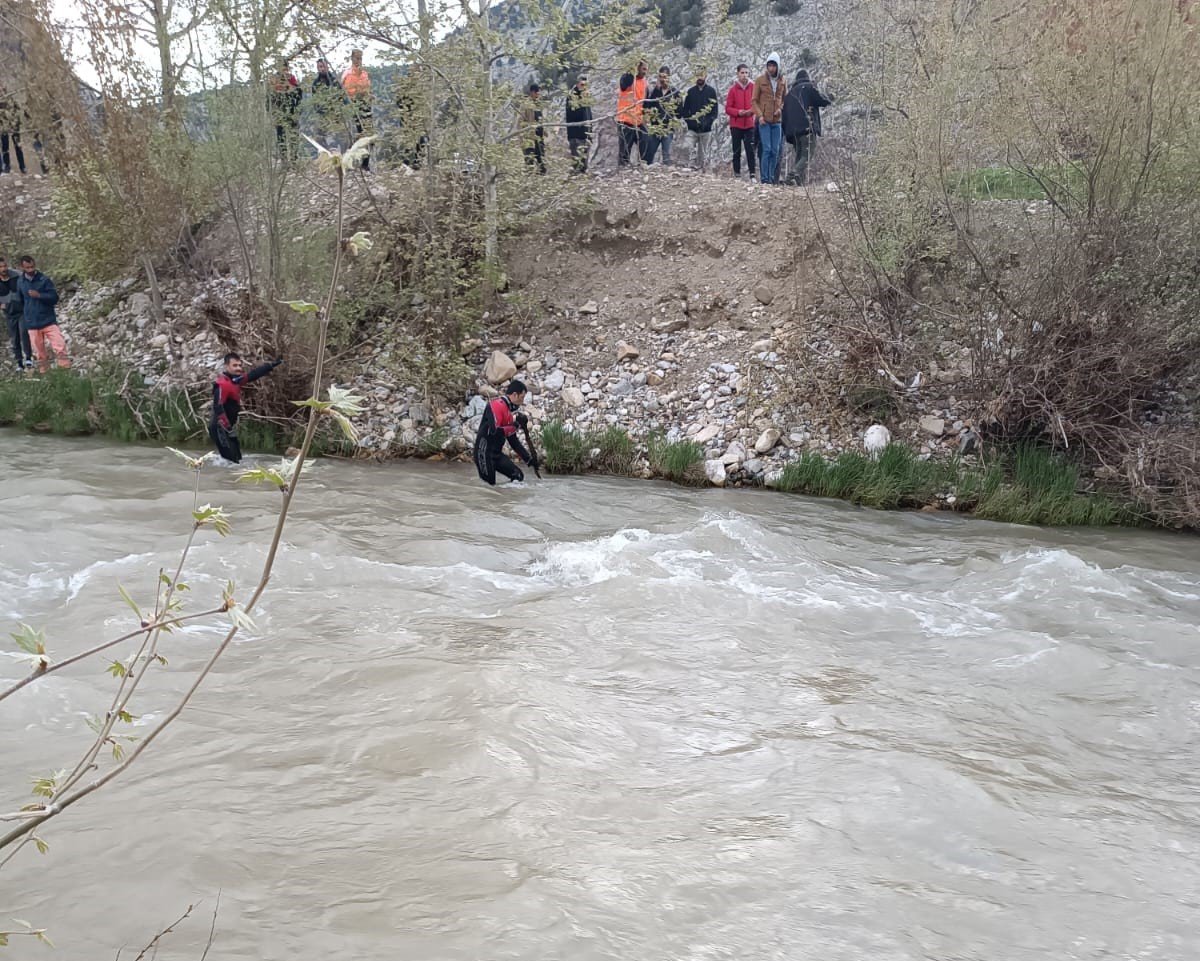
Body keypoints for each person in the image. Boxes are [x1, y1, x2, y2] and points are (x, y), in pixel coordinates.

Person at [209, 352, 283, 463]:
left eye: (239, 365)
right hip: (220, 428)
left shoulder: (235, 380)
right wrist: (228, 428)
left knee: (237, 460)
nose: (238, 368)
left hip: (228, 429)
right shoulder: (222, 384)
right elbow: (218, 407)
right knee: (231, 462)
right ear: (226, 366)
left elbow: (253, 375)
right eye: (235, 365)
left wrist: (271, 365)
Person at [473, 380, 538, 485]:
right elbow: (495, 431)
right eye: (522, 398)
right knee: (490, 487)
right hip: (483, 453)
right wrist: (515, 425)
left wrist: (529, 460)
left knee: (518, 476)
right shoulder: (496, 405)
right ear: (514, 395)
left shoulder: (508, 414)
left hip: (496, 455)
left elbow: (513, 442)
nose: (522, 402)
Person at [16, 256, 68, 372]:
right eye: (27, 268)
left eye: (32, 267)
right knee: (39, 354)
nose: (30, 270)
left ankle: (65, 372)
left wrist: (39, 295)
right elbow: (20, 301)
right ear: (22, 267)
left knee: (60, 346)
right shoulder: (20, 282)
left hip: (48, 320)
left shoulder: (44, 279)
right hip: (32, 323)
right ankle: (45, 376)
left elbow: (54, 298)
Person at [785, 68, 831, 186]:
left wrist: (788, 133)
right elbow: (820, 100)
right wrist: (829, 98)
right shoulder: (809, 87)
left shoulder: (789, 94)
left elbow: (784, 115)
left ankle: (798, 183)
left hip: (794, 132)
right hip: (807, 127)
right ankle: (792, 175)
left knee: (799, 155)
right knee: (807, 154)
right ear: (807, 77)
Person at [753, 53, 787, 185]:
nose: (771, 68)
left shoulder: (783, 80)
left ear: (777, 66)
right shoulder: (760, 80)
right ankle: (765, 179)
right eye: (769, 65)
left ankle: (772, 177)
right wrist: (760, 116)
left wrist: (781, 108)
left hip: (777, 121)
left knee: (775, 150)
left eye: (773, 65)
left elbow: (785, 98)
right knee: (766, 149)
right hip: (764, 121)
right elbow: (754, 101)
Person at [342, 49, 373, 170]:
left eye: (361, 58)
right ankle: (349, 161)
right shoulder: (348, 74)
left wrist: (369, 95)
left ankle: (365, 164)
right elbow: (346, 92)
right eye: (357, 58)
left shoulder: (365, 74)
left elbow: (368, 89)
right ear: (352, 58)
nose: (359, 61)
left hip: (366, 106)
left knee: (367, 134)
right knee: (356, 135)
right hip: (354, 106)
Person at [642, 66, 679, 165]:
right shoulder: (656, 91)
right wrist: (656, 90)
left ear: (669, 77)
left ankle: (667, 176)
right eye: (661, 77)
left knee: (666, 154)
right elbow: (647, 105)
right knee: (649, 153)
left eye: (665, 77)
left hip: (668, 128)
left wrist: (674, 120)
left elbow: (679, 110)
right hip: (655, 127)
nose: (663, 79)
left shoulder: (675, 92)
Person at [681, 71, 718, 171]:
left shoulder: (711, 91)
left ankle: (701, 174)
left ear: (706, 76)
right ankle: (687, 169)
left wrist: (707, 122)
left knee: (703, 155)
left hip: (706, 130)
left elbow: (714, 111)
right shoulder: (690, 92)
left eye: (702, 75)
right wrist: (691, 122)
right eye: (698, 75)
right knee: (687, 148)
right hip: (692, 129)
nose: (700, 78)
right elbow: (685, 111)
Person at [725, 63, 756, 180]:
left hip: (749, 124)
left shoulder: (753, 88)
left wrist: (751, 111)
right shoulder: (732, 90)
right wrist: (738, 112)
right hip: (736, 125)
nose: (744, 75)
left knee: (750, 150)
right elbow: (728, 108)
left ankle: (752, 174)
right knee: (736, 150)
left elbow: (756, 104)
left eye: (746, 73)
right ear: (738, 74)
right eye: (742, 73)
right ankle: (737, 174)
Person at [0, 256, 31, 370]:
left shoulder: (17, 275)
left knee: (24, 332)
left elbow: (27, 285)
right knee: (15, 338)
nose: (3, 269)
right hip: (9, 314)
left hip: (22, 310)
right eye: (1, 267)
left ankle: (28, 358)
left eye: (5, 266)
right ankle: (19, 363)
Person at [268, 62, 302, 163]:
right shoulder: (274, 80)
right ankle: (284, 161)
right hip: (279, 112)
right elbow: (269, 96)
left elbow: (299, 93)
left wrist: (297, 109)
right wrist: (271, 110)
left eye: (285, 68)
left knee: (293, 135)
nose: (284, 71)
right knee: (280, 136)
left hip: (291, 110)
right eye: (282, 68)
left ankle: (294, 159)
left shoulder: (291, 79)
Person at [311, 58, 343, 148]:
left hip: (336, 115)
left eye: (323, 66)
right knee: (319, 138)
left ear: (327, 66)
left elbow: (341, 97)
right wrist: (320, 110)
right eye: (320, 67)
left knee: (338, 139)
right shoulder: (316, 83)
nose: (322, 69)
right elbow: (314, 100)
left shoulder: (334, 81)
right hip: (323, 116)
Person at [564, 75, 593, 173]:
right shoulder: (572, 96)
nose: (584, 87)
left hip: (585, 133)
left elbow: (589, 115)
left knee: (584, 161)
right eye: (582, 84)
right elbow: (573, 115)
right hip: (575, 134)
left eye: (586, 85)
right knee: (577, 161)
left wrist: (590, 130)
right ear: (577, 84)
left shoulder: (586, 96)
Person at [615, 72, 643, 167]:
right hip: (625, 121)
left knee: (643, 141)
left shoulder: (625, 91)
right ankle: (623, 166)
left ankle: (636, 163)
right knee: (625, 148)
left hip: (634, 121)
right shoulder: (626, 91)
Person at [520, 83, 546, 174]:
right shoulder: (526, 105)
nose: (538, 95)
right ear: (532, 92)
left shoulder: (539, 105)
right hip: (529, 138)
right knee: (529, 161)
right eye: (537, 93)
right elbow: (521, 122)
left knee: (542, 161)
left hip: (539, 138)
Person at [0, 94, 26, 175]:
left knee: (18, 146)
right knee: (5, 147)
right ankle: (7, 166)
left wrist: (16, 121)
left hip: (14, 125)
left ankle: (22, 166)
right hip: (4, 126)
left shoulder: (11, 98)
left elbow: (18, 109)